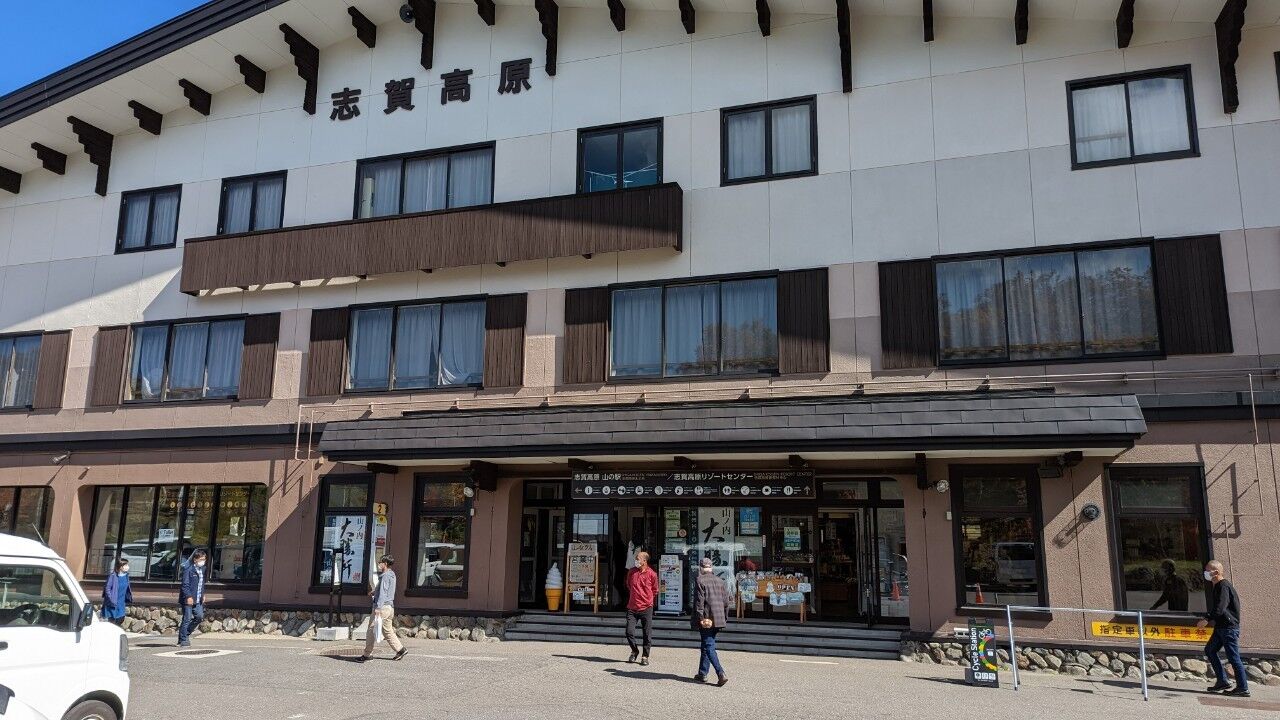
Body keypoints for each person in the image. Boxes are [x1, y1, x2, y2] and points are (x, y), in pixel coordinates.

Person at [1197, 560, 1248, 697]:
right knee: (1210, 650)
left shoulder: (1223, 586)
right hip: (1221, 627)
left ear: (1216, 572)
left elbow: (1220, 607)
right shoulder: (1217, 586)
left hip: (1228, 628)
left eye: (1208, 570)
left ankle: (1243, 687)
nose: (1205, 573)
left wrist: (1207, 619)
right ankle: (1222, 681)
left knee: (1233, 657)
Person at [692, 557, 732, 686]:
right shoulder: (720, 581)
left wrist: (700, 618)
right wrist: (725, 618)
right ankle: (702, 673)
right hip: (719, 618)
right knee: (706, 645)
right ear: (711, 568)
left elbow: (699, 602)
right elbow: (726, 602)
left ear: (700, 568)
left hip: (707, 619)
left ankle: (721, 673)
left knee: (709, 646)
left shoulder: (700, 580)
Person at [359, 555, 407, 663]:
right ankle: (400, 650)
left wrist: (378, 607)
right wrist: (374, 592)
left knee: (371, 630)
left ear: (385, 563)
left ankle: (367, 654)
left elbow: (383, 592)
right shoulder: (392, 574)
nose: (379, 564)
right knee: (387, 631)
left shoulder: (385, 576)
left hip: (383, 607)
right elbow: (386, 590)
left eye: (380, 562)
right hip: (389, 607)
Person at [624, 550, 658, 665]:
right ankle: (634, 651)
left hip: (646, 607)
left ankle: (645, 656)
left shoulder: (652, 574)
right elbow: (628, 585)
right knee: (629, 631)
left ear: (644, 561)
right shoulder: (632, 571)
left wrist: (648, 599)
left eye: (638, 559)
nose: (636, 561)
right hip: (632, 607)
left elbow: (655, 590)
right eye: (636, 559)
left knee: (647, 634)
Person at [177, 549, 207, 647]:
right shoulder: (188, 569)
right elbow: (185, 585)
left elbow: (201, 584)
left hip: (198, 599)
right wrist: (188, 596)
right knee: (187, 619)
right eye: (201, 559)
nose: (203, 561)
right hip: (188, 599)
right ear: (195, 559)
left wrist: (203, 594)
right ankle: (183, 640)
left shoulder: (202, 569)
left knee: (199, 617)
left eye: (204, 559)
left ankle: (185, 633)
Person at [101, 558, 132, 625]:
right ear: (120, 567)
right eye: (126, 565)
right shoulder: (113, 576)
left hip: (121, 602)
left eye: (127, 565)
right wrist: (111, 599)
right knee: (112, 622)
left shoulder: (126, 576)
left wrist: (129, 597)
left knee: (121, 619)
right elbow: (107, 588)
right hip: (112, 603)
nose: (127, 567)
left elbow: (127, 588)